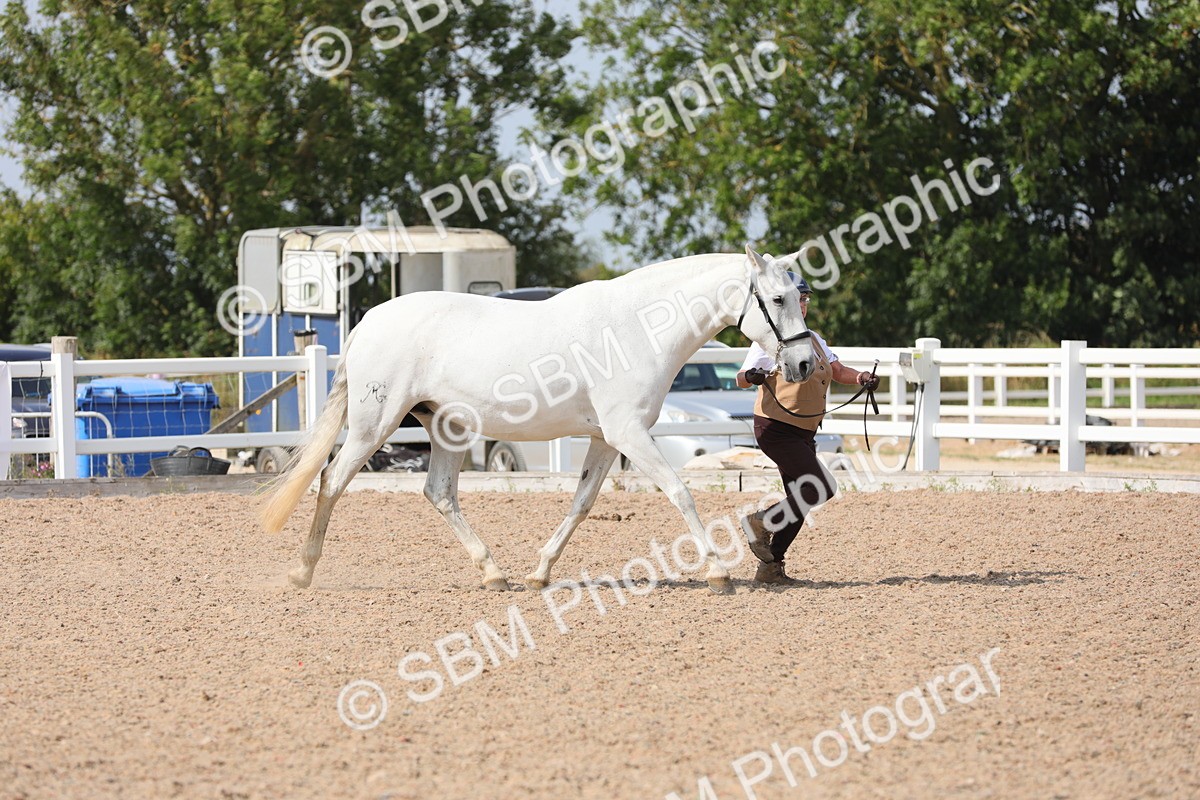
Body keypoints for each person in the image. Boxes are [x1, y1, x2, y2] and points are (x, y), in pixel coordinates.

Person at [736, 273, 879, 585]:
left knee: (799, 500)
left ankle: (771, 569)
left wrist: (861, 378)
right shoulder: (771, 337)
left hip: (803, 431)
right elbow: (741, 376)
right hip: (775, 427)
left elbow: (837, 370)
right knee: (821, 487)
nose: (802, 305)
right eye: (798, 300)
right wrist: (756, 375)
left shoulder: (813, 339)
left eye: (804, 300)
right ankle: (760, 522)